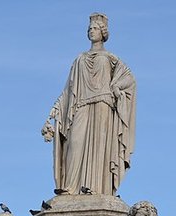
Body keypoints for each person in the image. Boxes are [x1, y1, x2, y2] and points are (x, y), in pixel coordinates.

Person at [42, 13, 136, 195]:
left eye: (95, 28)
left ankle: (98, 188)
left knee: (99, 150)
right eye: (89, 29)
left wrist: (116, 86)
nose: (91, 31)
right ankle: (70, 187)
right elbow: (68, 91)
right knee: (74, 144)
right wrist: (53, 112)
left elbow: (129, 80)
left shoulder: (111, 59)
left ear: (103, 32)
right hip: (81, 106)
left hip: (103, 105)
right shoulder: (79, 59)